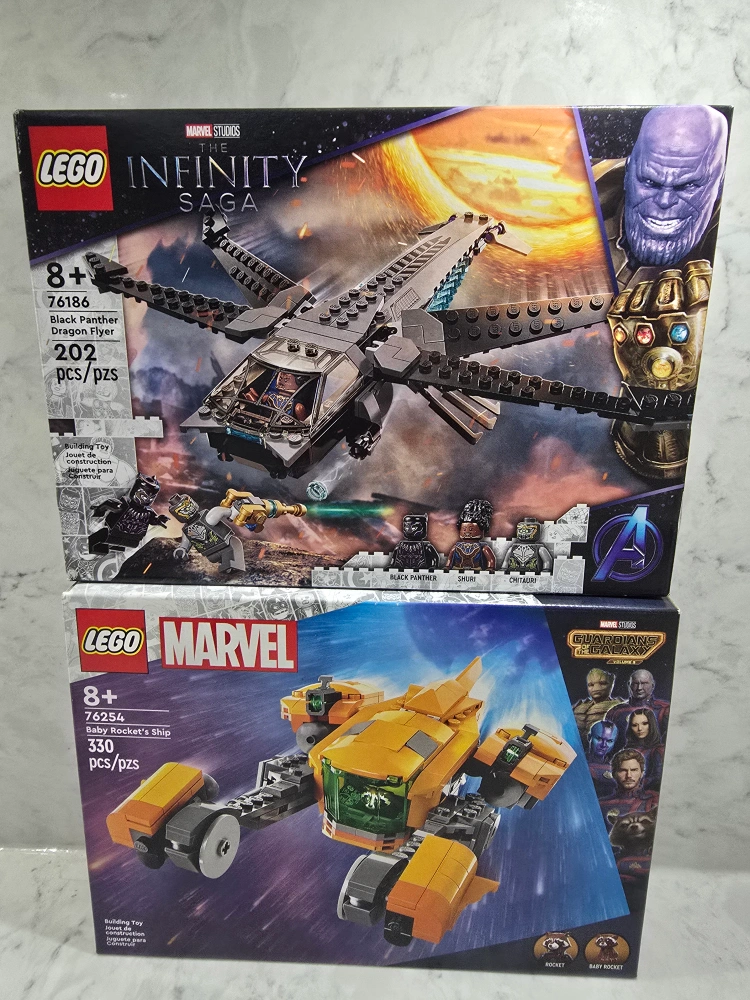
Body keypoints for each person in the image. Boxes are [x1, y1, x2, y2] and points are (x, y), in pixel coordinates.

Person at [572, 668, 623, 741]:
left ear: (612, 684)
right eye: (591, 685)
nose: (596, 688)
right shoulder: (578, 706)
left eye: (602, 683)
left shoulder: (619, 707)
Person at [624, 708, 664, 790]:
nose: (639, 728)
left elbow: (657, 777)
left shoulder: (658, 750)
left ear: (651, 724)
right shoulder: (627, 749)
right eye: (634, 725)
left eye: (644, 723)